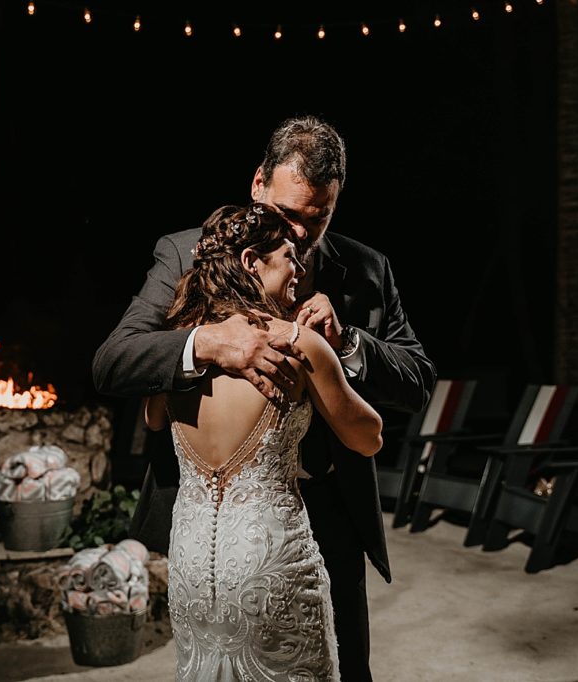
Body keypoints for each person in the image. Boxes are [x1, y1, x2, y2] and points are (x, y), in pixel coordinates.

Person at [93, 115, 436, 681]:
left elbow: (417, 380)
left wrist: (348, 341)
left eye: (317, 218)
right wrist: (205, 342)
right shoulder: (184, 253)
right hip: (210, 525)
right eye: (287, 215)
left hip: (328, 510)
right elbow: (113, 361)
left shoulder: (369, 272)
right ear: (258, 184)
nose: (300, 235)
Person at [144, 202, 384, 680]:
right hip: (269, 565)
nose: (300, 268)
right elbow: (368, 437)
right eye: (289, 257)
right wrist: (330, 352)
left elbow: (153, 419)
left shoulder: (179, 345)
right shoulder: (295, 344)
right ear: (252, 262)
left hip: (193, 566)